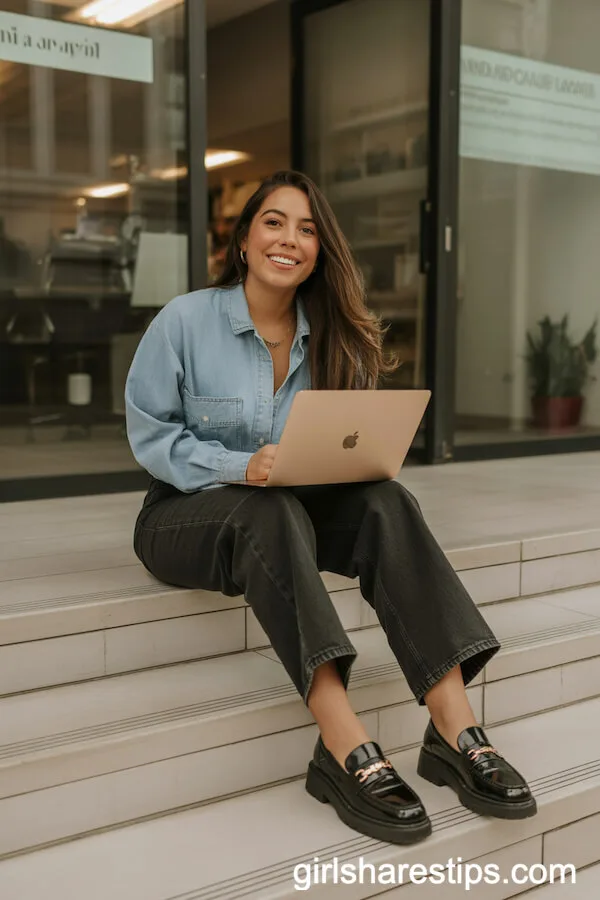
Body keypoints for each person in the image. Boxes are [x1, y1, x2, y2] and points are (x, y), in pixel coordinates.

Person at [125, 170, 537, 845]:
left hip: (287, 514)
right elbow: (150, 435)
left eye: (308, 229)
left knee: (386, 502)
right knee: (267, 510)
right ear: (244, 239)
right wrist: (239, 466)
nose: (291, 239)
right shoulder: (186, 321)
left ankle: (453, 726)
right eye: (275, 222)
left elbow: (341, 453)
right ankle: (339, 741)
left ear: (321, 249)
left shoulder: (334, 335)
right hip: (184, 514)